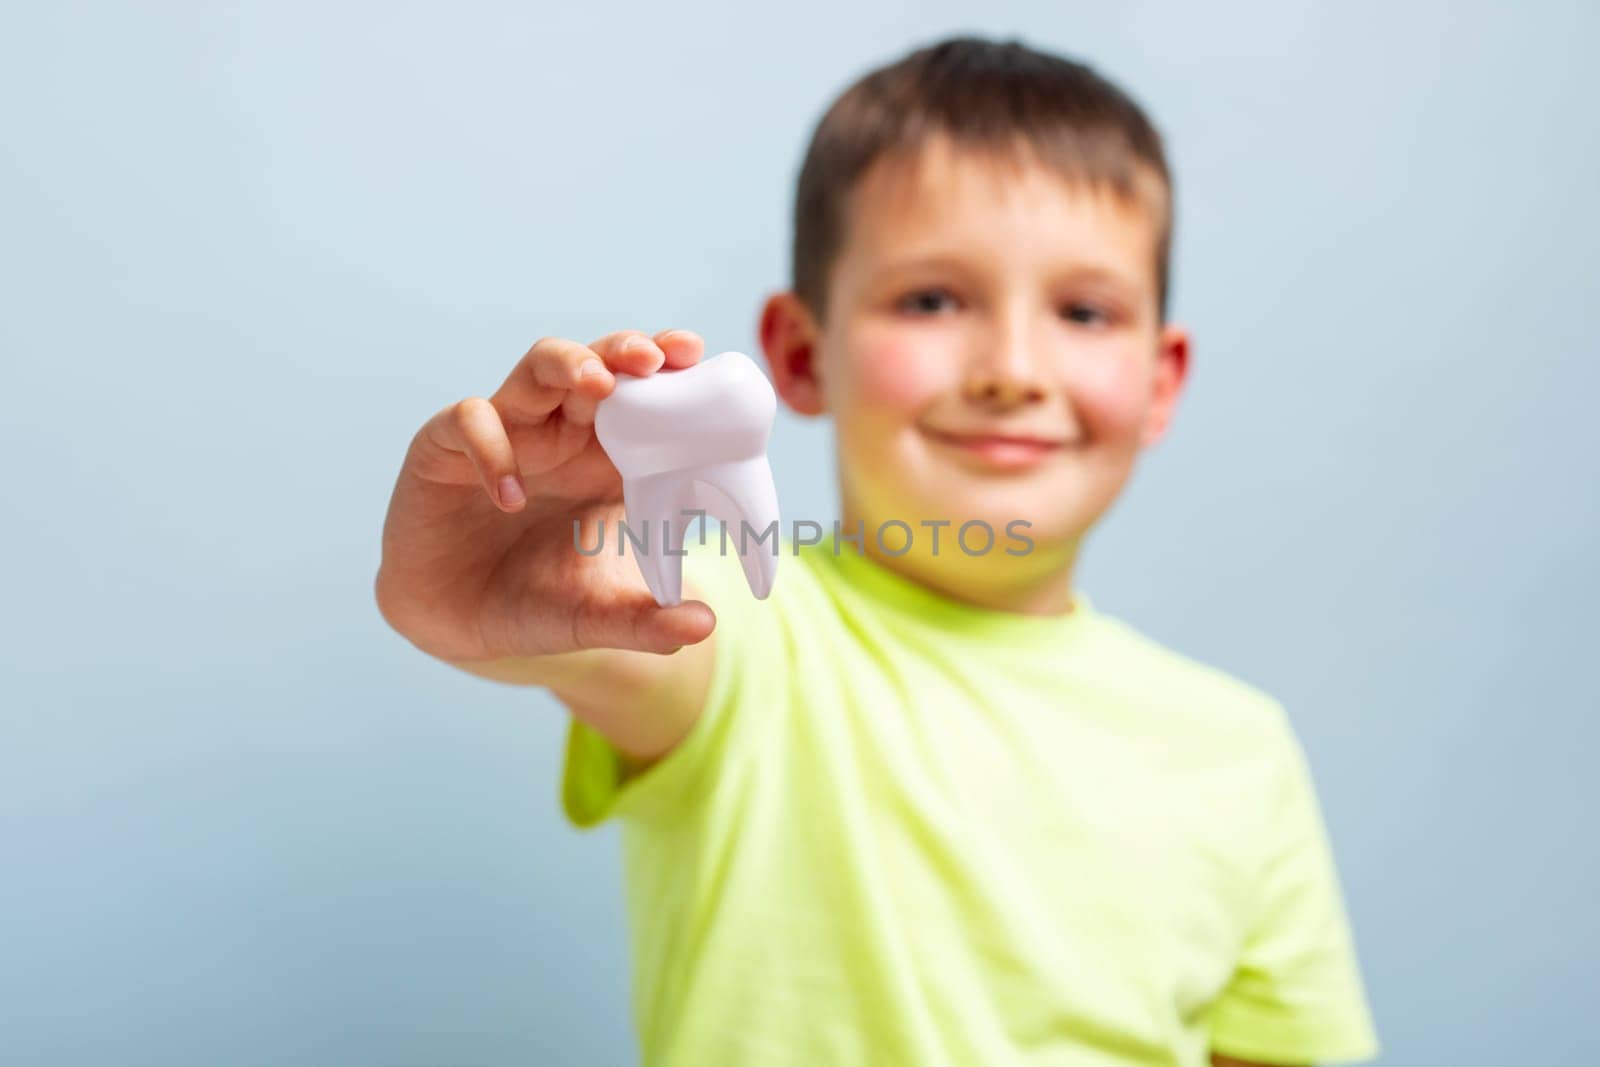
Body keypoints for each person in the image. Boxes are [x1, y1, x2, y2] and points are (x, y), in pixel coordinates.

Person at [374, 33, 1379, 1067]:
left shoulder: (1238, 753)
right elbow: (585, 621)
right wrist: (468, 576)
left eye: (1084, 310)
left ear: (1159, 380)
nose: (1012, 368)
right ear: (803, 355)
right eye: (933, 299)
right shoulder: (742, 628)